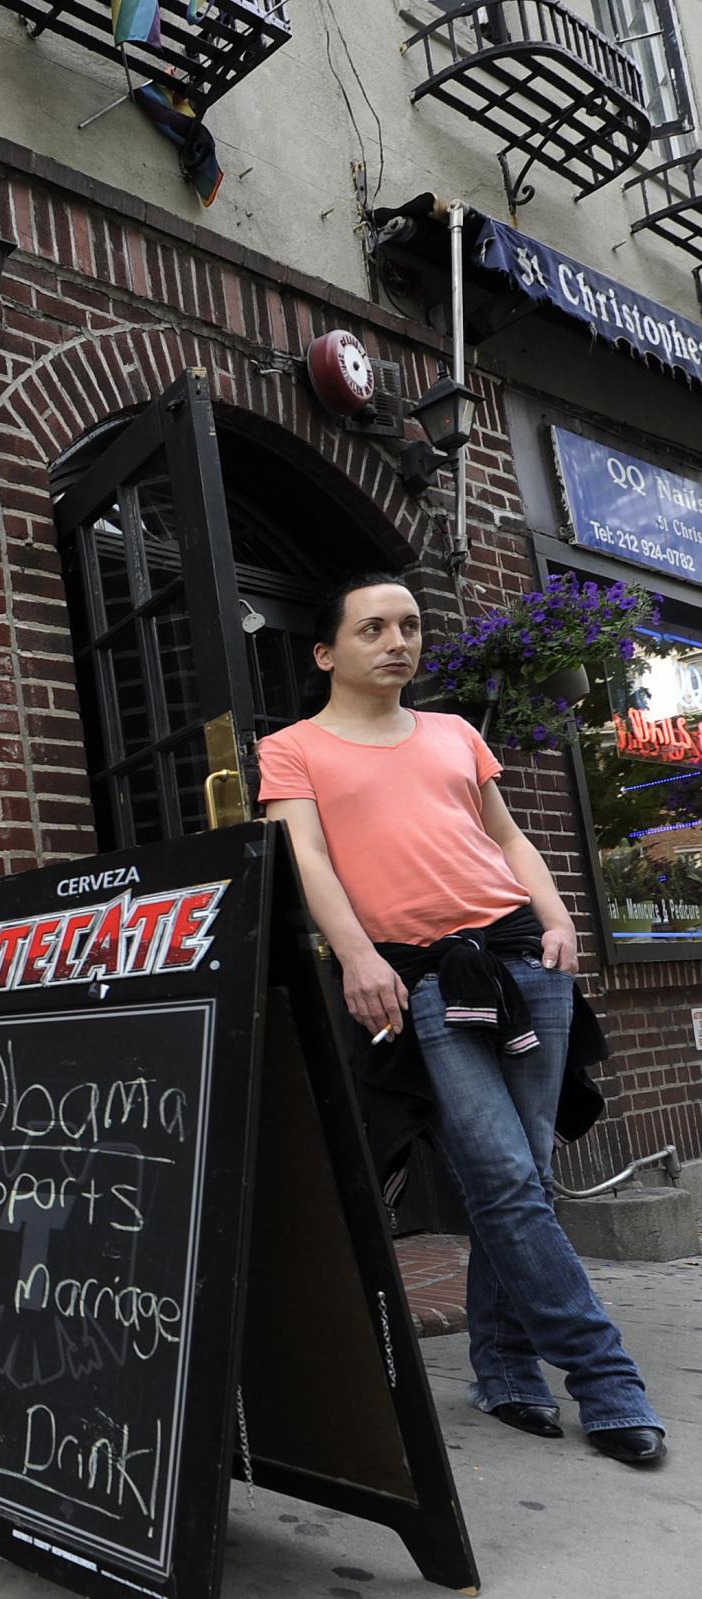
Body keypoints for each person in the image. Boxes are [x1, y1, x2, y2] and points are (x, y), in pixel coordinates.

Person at [260, 572, 663, 1465]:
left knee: (517, 1184)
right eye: (372, 628)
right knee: (509, 1181)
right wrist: (357, 955)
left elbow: (510, 838)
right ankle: (605, 1378)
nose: (397, 641)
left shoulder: (454, 733)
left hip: (527, 960)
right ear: (327, 651)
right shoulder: (293, 749)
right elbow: (307, 857)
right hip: (427, 978)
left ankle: (506, 1367)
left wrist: (559, 919)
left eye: (408, 625)